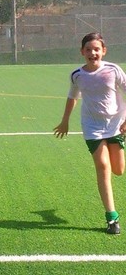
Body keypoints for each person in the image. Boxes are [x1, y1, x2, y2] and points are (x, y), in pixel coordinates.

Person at [53, 32, 126, 235]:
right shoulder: (77, 75)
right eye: (88, 49)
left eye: (96, 49)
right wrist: (65, 121)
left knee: (119, 169)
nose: (92, 53)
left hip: (116, 124)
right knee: (103, 166)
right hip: (92, 127)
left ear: (103, 51)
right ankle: (112, 218)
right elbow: (72, 97)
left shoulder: (113, 70)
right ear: (82, 52)